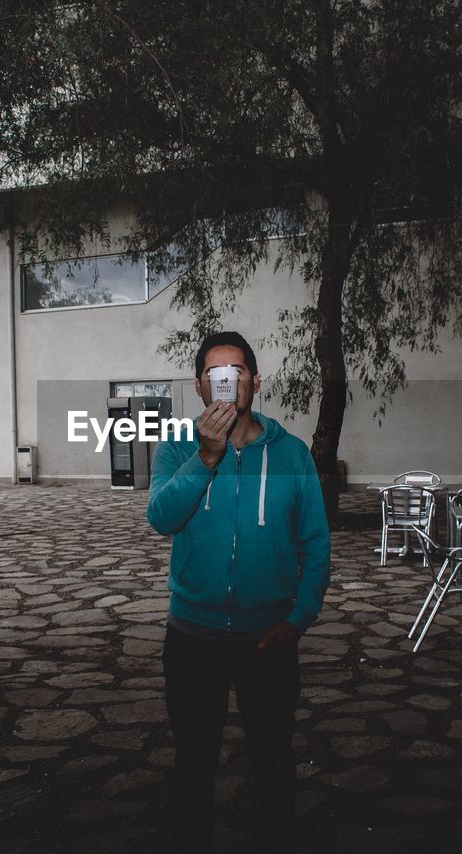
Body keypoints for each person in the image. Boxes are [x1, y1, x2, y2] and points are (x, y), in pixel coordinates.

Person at [146, 330, 330, 853]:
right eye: (216, 375)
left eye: (238, 372)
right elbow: (160, 518)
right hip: (192, 637)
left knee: (272, 762)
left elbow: (316, 547)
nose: (228, 382)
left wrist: (297, 622)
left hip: (267, 640)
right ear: (201, 387)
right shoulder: (179, 447)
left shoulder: (291, 453)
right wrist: (205, 457)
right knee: (193, 764)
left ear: (253, 381)